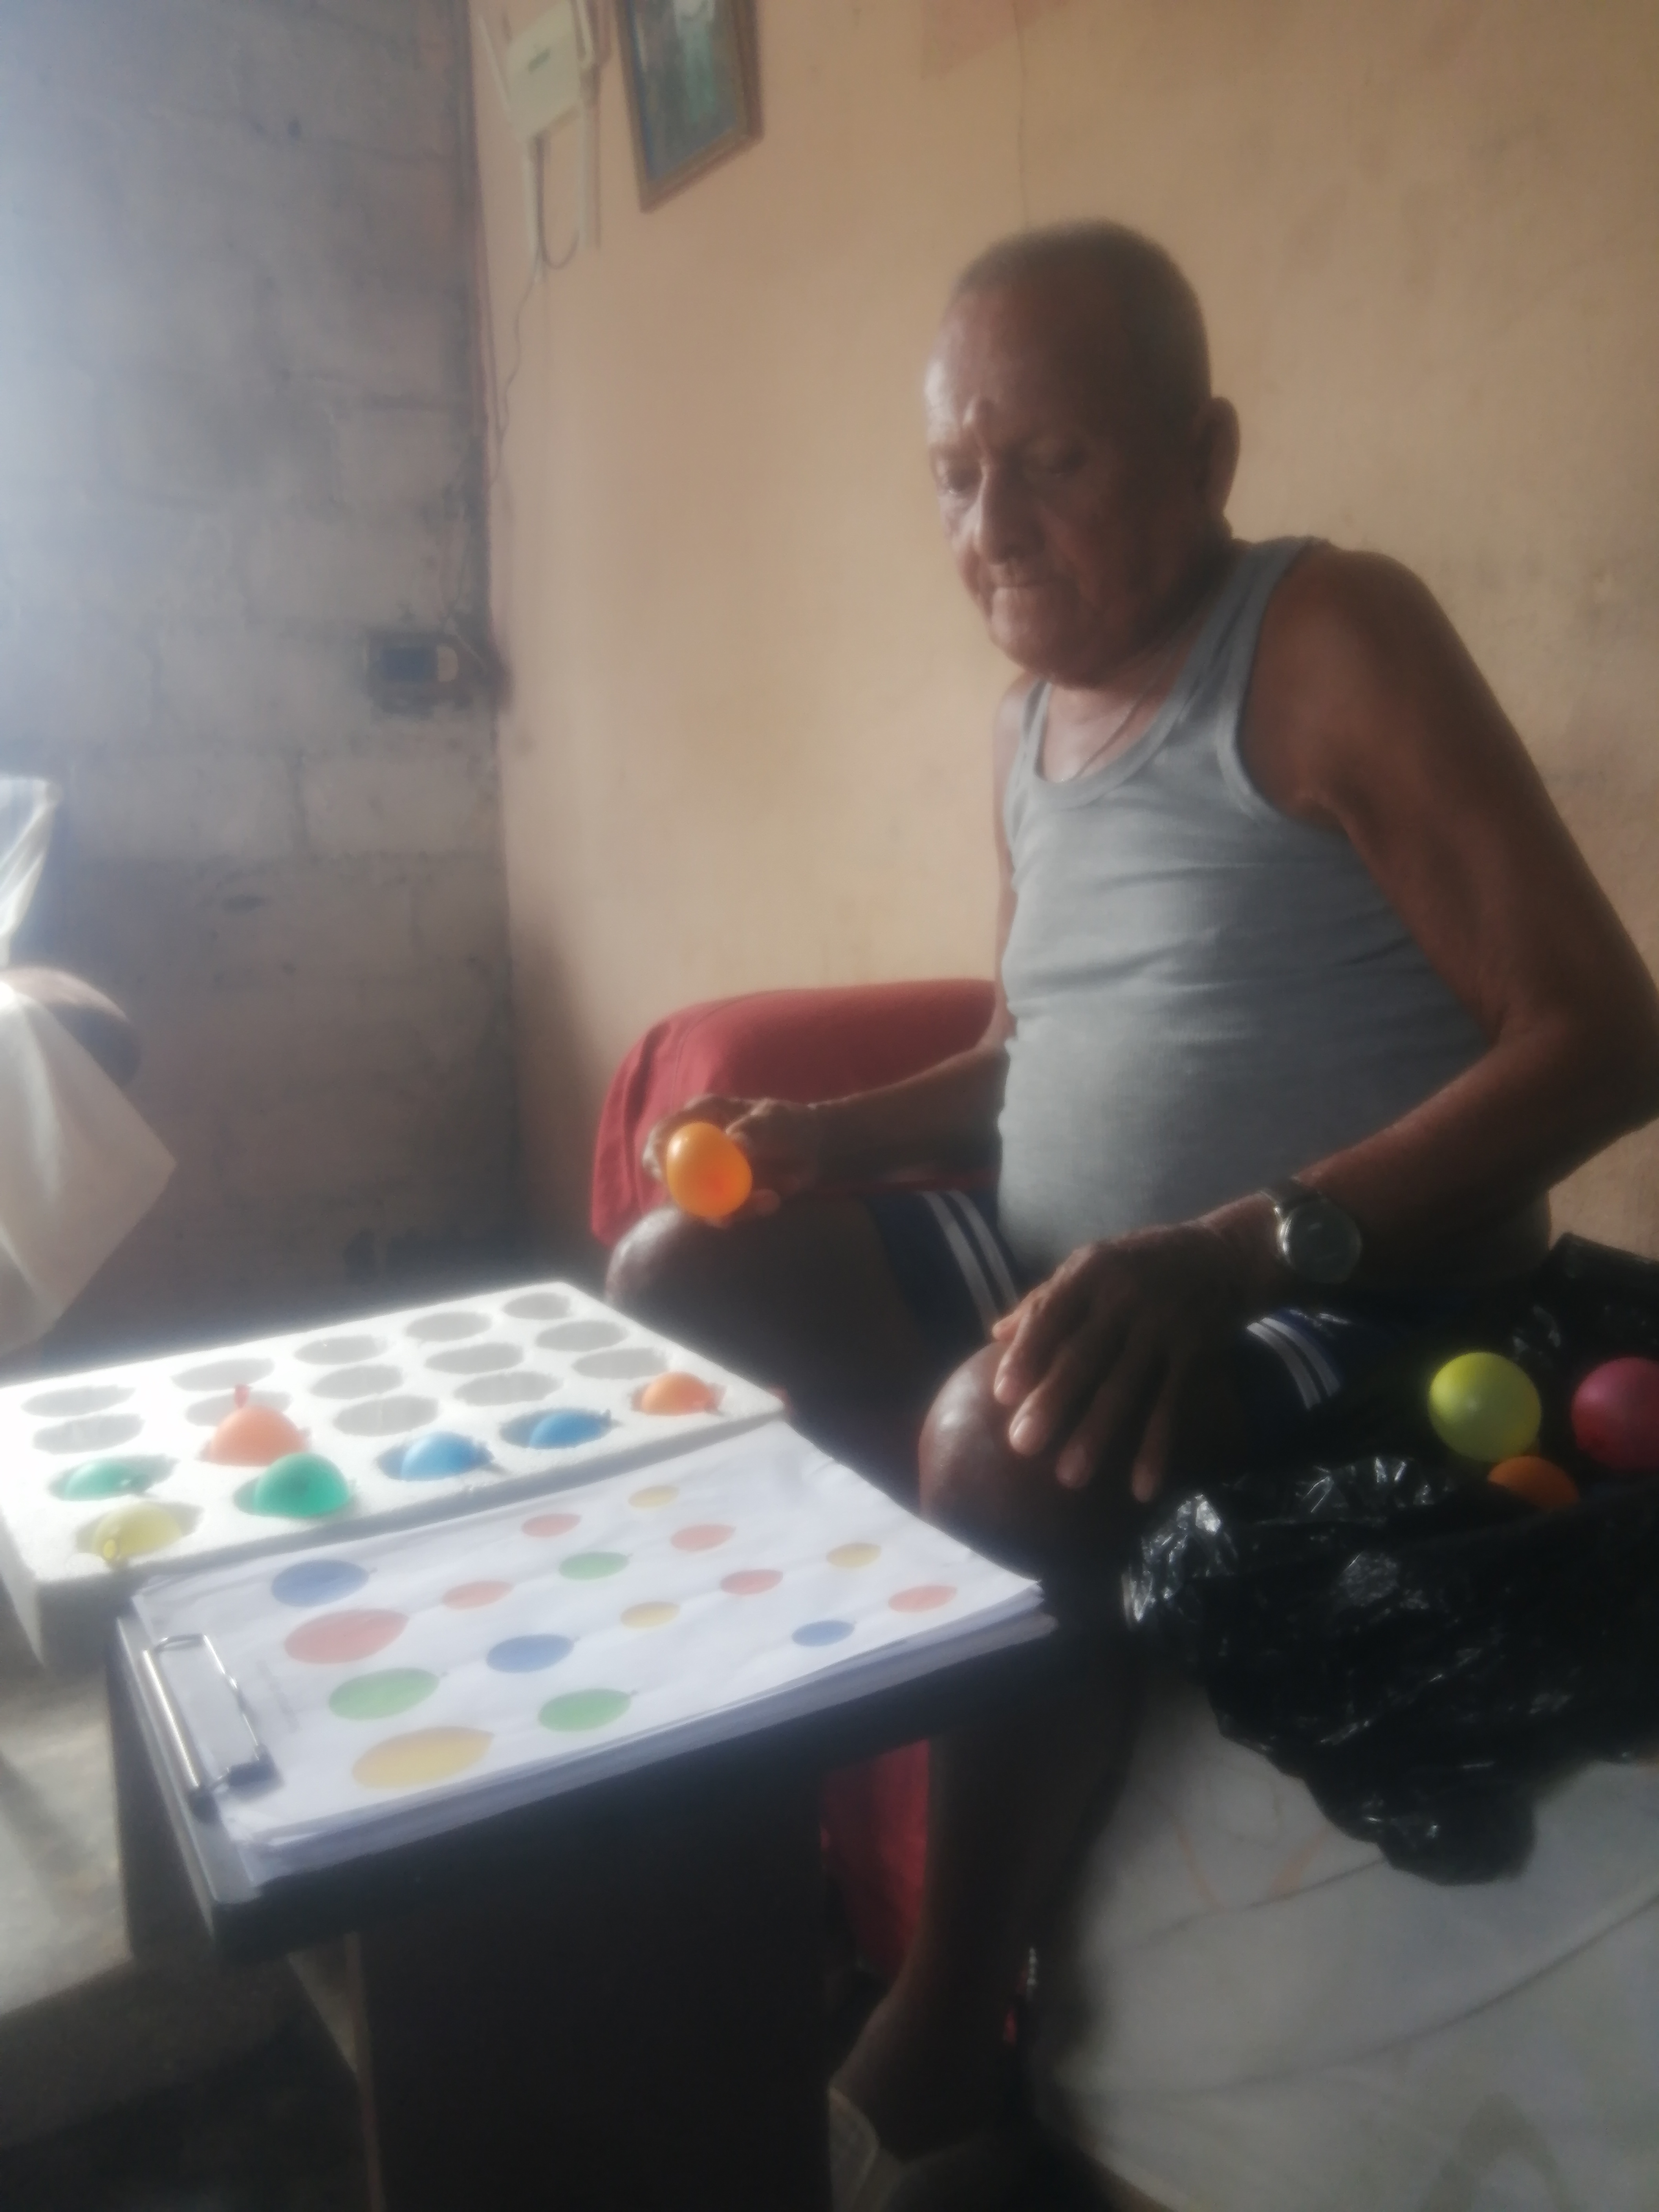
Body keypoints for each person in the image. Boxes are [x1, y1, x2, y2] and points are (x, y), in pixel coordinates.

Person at [608, 222, 1659, 2191]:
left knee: (1005, 1436)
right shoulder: (1027, 725)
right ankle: (745, 1793)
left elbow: (1604, 1036)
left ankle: (948, 2036)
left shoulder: (1329, 636)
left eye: (1054, 461)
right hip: (1086, 1257)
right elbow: (1034, 1047)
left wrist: (1238, 1245)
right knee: (674, 1274)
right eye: (954, 475)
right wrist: (835, 1136)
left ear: (1207, 454)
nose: (990, 527)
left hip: (1362, 1291)